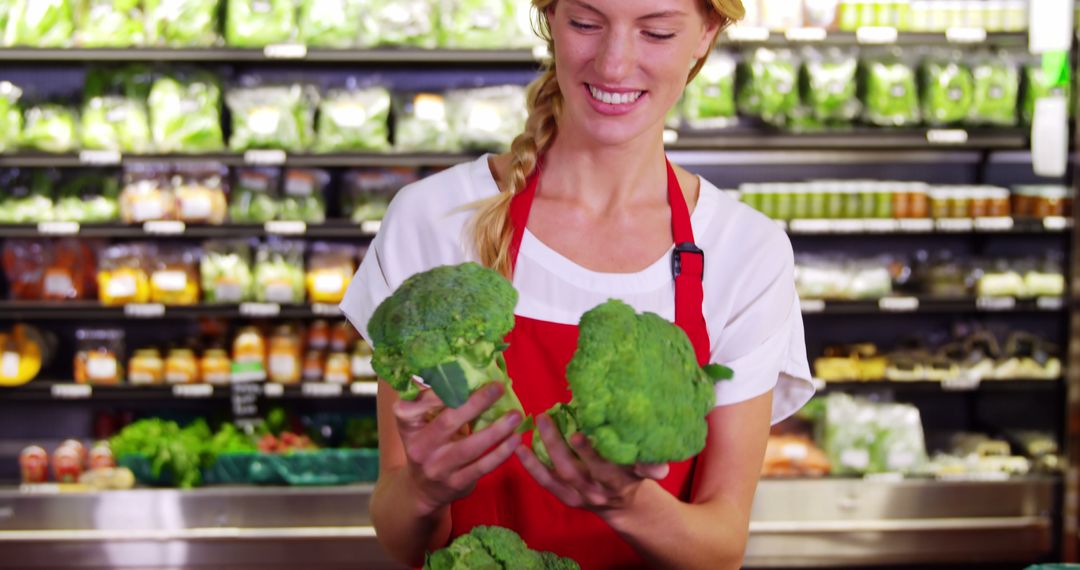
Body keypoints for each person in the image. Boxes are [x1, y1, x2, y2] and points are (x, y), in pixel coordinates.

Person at [340, 0, 815, 568]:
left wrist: (628, 504)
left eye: (657, 32)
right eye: (586, 24)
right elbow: (398, 538)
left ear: (706, 34)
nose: (614, 65)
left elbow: (721, 548)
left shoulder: (746, 251)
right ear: (550, 21)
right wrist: (422, 488)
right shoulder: (434, 218)